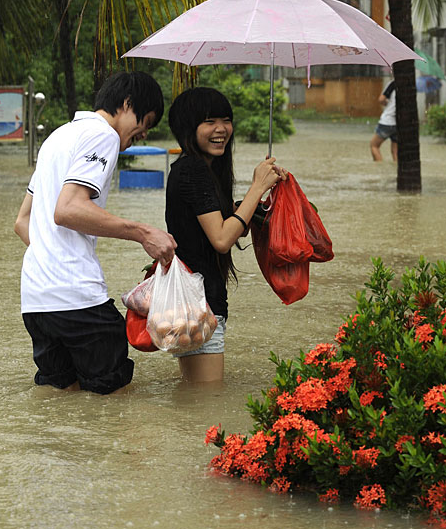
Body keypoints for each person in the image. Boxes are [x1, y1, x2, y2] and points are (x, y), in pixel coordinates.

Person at [14, 71, 177, 395]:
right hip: (77, 299)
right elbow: (68, 209)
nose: (144, 133)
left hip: (36, 303)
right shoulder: (104, 135)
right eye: (146, 121)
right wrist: (143, 232)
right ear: (127, 104)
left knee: (61, 398)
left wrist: (52, 259)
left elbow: (23, 220)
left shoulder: (58, 137)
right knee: (110, 401)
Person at [165, 87, 287, 382]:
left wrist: (261, 199)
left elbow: (227, 226)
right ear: (188, 128)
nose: (221, 129)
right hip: (199, 305)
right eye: (209, 121)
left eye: (226, 120)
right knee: (207, 401)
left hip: (194, 303)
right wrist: (257, 187)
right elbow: (221, 239)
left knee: (194, 396)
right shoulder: (193, 170)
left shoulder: (201, 170)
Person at [370, 80, 398, 162]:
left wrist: (387, 104)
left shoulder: (393, 84)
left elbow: (381, 99)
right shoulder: (408, 86)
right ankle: (396, 167)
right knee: (395, 152)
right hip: (399, 124)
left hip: (387, 122)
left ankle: (380, 166)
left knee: (374, 146)